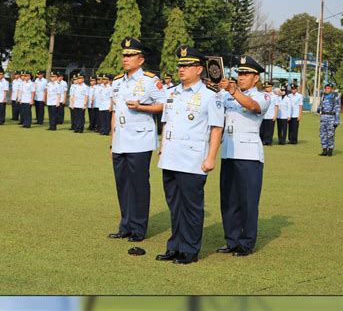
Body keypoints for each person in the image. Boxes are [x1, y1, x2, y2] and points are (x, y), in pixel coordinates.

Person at [156, 45, 224, 264]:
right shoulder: (172, 92)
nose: (181, 69)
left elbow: (216, 128)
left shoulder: (209, 95)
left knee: (191, 207)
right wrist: (162, 148)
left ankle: (190, 250)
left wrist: (211, 157)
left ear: (199, 69)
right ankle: (175, 246)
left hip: (193, 159)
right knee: (174, 205)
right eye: (180, 65)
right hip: (170, 157)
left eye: (187, 65)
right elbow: (166, 123)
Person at [108, 37, 165, 242]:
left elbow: (164, 105)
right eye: (124, 55)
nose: (126, 58)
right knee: (122, 184)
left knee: (139, 185)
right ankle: (125, 225)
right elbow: (115, 112)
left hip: (140, 140)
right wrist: (112, 141)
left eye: (130, 55)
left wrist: (141, 107)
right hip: (121, 140)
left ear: (140, 59)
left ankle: (139, 228)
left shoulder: (150, 81)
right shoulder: (117, 81)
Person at [217, 55, 270, 257]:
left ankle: (246, 242)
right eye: (239, 73)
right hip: (228, 151)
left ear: (256, 78)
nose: (241, 77)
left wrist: (233, 91)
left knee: (248, 200)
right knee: (229, 199)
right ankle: (231, 241)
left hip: (249, 155)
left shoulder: (264, 96)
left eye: (246, 74)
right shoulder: (227, 95)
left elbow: (253, 107)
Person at [317, 83, 340, 156]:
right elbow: (320, 105)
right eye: (326, 88)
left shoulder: (335, 97)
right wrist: (318, 109)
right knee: (322, 134)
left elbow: (337, 109)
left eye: (329, 88)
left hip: (331, 117)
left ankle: (330, 150)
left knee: (330, 135)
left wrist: (337, 120)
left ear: (331, 89)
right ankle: (324, 150)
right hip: (323, 117)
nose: (327, 89)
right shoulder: (323, 96)